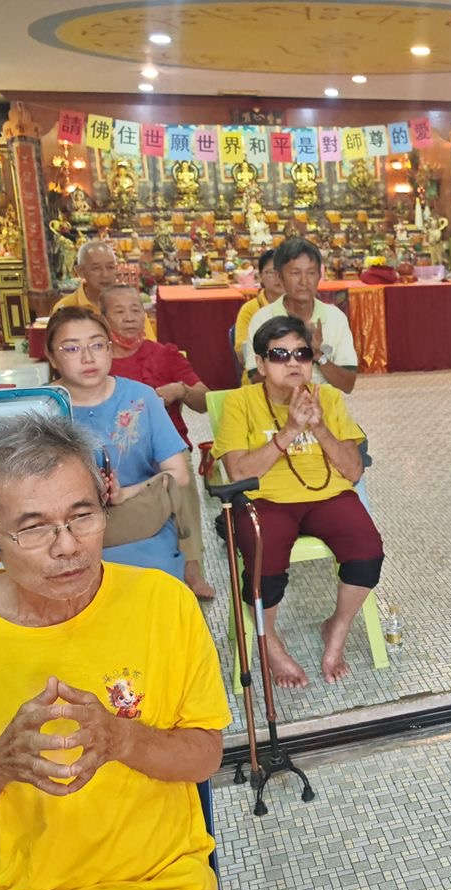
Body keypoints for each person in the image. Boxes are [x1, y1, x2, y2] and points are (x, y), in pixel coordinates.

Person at [0, 413, 254, 890]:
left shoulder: (163, 604)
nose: (67, 546)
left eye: (82, 516)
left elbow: (205, 757)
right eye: (34, 527)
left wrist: (122, 738)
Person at [213, 315, 384, 687]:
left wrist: (319, 427)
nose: (292, 362)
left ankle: (337, 627)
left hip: (328, 496)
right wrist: (290, 430)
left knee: (367, 550)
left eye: (302, 354)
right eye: (279, 354)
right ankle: (271, 642)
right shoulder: (239, 402)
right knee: (265, 561)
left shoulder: (330, 398)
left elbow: (353, 471)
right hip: (264, 499)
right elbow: (238, 473)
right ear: (261, 364)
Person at [46, 307, 215, 600]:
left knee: (155, 594)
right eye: (71, 348)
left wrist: (126, 493)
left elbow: (179, 474)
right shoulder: (42, 408)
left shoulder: (141, 398)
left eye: (97, 345)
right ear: (51, 358)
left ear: (110, 350)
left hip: (139, 526)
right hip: (68, 535)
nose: (88, 357)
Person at [242, 237, 357, 394]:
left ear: (319, 276)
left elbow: (348, 385)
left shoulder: (335, 318)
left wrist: (317, 355)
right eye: (295, 273)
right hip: (279, 406)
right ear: (280, 277)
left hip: (325, 404)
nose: (304, 281)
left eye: (311, 273)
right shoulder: (262, 319)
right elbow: (255, 379)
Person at [104, 284, 209, 448]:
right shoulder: (96, 361)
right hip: (114, 450)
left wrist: (181, 390)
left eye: (135, 310)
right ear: (103, 319)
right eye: (119, 312)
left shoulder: (165, 354)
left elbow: (205, 402)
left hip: (169, 447)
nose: (129, 318)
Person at [232, 248, 284, 376]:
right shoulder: (250, 309)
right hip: (260, 375)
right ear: (260, 276)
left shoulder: (301, 306)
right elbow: (242, 353)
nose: (279, 277)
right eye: (272, 272)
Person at [51, 239, 118, 317]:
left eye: (110, 267)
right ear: (80, 271)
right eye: (96, 268)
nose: (105, 274)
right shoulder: (66, 307)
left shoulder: (125, 301)